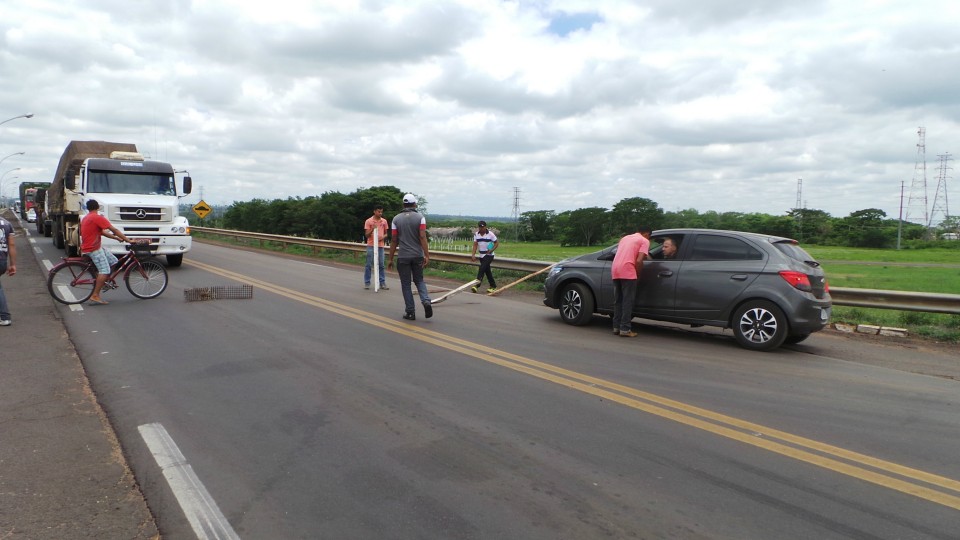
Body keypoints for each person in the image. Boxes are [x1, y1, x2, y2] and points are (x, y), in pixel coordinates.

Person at [80, 199, 136, 305]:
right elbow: (114, 230)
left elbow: (101, 232)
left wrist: (117, 239)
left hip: (93, 246)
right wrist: (128, 240)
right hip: (93, 249)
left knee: (114, 261)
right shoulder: (97, 217)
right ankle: (95, 295)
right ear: (98, 207)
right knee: (104, 270)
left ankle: (104, 282)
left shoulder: (87, 217)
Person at [387, 194, 433, 320]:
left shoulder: (396, 219)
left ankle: (410, 312)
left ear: (403, 204)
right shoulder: (420, 218)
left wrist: (390, 258)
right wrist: (426, 255)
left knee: (406, 284)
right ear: (414, 204)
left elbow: (394, 240)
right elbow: (422, 237)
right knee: (419, 280)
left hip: (403, 257)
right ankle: (426, 301)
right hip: (417, 255)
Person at [611, 226, 652, 337]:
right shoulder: (644, 241)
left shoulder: (625, 238)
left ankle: (616, 327)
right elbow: (639, 260)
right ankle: (625, 329)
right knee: (627, 301)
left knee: (618, 300)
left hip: (615, 269)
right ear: (647, 234)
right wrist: (637, 274)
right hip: (628, 270)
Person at [363, 204, 389, 290]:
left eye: (381, 211)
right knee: (368, 264)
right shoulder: (369, 221)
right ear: (374, 211)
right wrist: (372, 229)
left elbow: (386, 233)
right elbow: (366, 235)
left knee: (381, 264)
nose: (380, 213)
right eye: (378, 211)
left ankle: (382, 282)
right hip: (371, 245)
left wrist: (383, 237)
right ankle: (367, 282)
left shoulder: (384, 221)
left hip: (380, 245)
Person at [470, 220, 499, 293]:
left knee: (482, 268)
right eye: (480, 227)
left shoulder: (490, 234)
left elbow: (496, 243)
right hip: (481, 255)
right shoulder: (476, 234)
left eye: (482, 227)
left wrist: (491, 250)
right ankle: (493, 286)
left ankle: (476, 285)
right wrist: (473, 254)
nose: (481, 228)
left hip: (489, 255)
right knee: (487, 271)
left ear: (485, 227)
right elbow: (475, 245)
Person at [0, 215, 16, 326]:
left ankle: (4, 317)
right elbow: (11, 244)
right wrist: (13, 264)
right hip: (2, 261)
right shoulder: (7, 223)